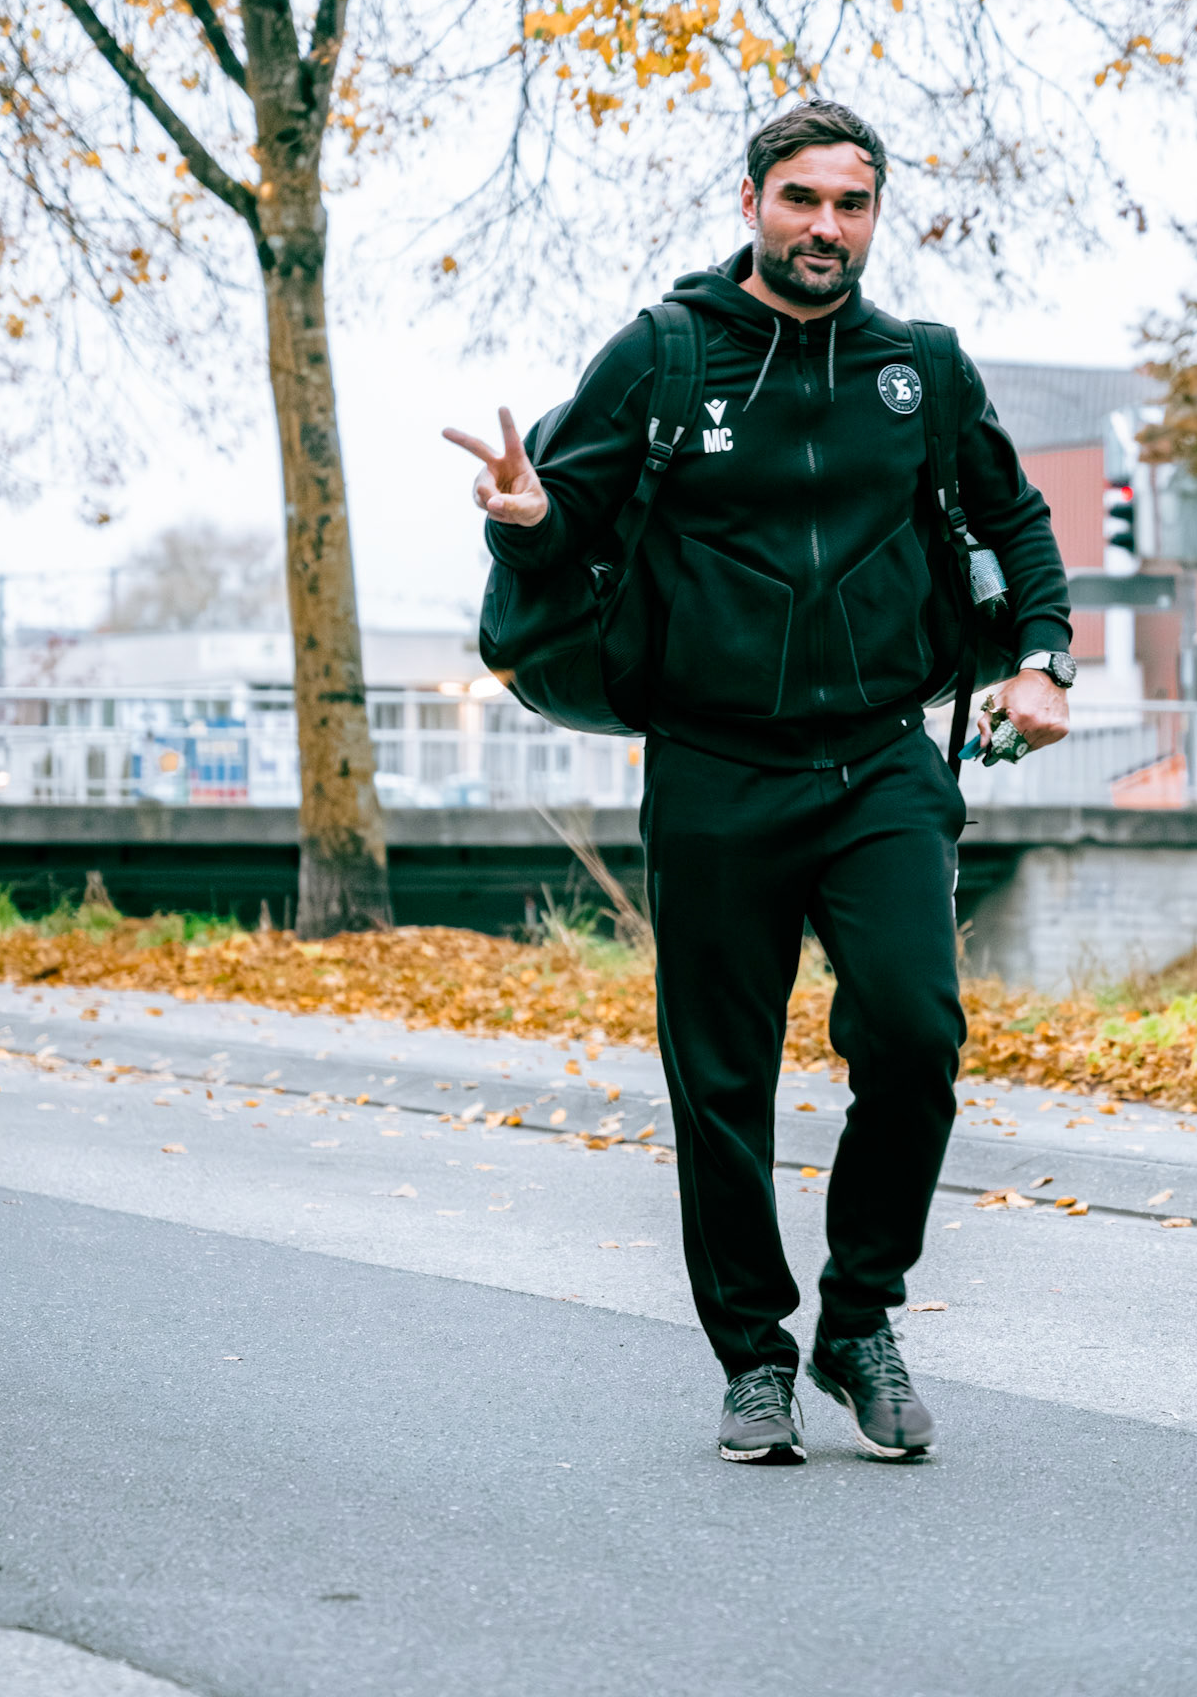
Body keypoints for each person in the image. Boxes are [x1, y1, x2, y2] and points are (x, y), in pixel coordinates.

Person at [446, 100, 1073, 1463]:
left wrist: (1041, 658)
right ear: (750, 202)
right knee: (719, 1079)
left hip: (878, 762)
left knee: (912, 1032)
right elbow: (573, 522)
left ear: (872, 215)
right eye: (800, 200)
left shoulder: (920, 369)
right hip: (717, 766)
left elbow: (1013, 516)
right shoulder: (664, 357)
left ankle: (860, 1320)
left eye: (850, 205)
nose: (824, 229)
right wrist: (531, 518)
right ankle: (753, 1357)